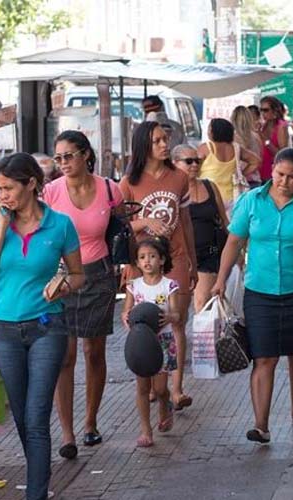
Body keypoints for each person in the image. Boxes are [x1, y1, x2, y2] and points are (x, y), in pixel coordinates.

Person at [0, 153, 85, 500]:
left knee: (36, 416)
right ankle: (39, 477)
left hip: (47, 327)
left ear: (31, 184)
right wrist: (2, 225)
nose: (2, 195)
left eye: (8, 188)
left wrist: (64, 285)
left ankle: (36, 493)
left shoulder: (60, 224)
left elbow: (80, 274)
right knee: (21, 415)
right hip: (5, 330)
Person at [211, 148, 293, 444]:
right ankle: (261, 425)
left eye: (292, 177)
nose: (284, 181)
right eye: (280, 174)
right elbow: (234, 242)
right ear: (273, 173)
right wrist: (220, 279)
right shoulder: (251, 201)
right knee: (264, 356)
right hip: (259, 290)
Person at [42, 130, 121, 460]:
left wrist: (126, 265)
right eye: (58, 158)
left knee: (93, 351)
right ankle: (68, 432)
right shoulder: (50, 193)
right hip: (61, 279)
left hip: (98, 275)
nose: (63, 164)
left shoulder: (108, 188)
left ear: (86, 155)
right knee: (65, 355)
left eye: (69, 156)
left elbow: (121, 230)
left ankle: (90, 423)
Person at [120, 122, 197, 411]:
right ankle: (152, 380)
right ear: (144, 146)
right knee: (143, 321)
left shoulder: (178, 177)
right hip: (141, 261)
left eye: (166, 139)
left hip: (173, 258)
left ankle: (176, 389)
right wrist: (144, 223)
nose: (165, 145)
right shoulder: (129, 182)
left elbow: (186, 220)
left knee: (175, 320)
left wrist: (192, 260)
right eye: (158, 141)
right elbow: (119, 225)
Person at [121, 238, 180, 447]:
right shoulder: (133, 286)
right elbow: (126, 310)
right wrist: (126, 317)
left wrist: (171, 317)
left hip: (163, 340)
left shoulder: (169, 285)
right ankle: (146, 430)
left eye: (153, 256)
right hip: (141, 342)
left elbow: (176, 313)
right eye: (142, 257)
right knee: (143, 388)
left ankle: (166, 406)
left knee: (161, 388)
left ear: (162, 260)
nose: (147, 261)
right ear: (137, 262)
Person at [172, 144, 230, 313]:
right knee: (178, 312)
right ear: (175, 163)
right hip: (180, 255)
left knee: (203, 301)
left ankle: (204, 338)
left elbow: (224, 221)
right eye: (188, 161)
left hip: (208, 254)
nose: (195, 165)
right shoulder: (171, 191)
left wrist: (236, 250)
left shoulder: (210, 186)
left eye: (197, 161)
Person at [197, 118, 260, 208]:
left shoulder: (206, 147)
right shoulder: (236, 148)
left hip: (209, 196)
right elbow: (256, 161)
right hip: (231, 197)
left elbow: (195, 166)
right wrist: (241, 174)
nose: (208, 131)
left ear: (214, 131)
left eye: (209, 129)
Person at [231, 105, 264, 187]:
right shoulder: (256, 137)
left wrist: (241, 175)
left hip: (239, 182)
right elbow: (260, 159)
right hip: (255, 179)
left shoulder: (232, 138)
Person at [259, 96, 290, 181]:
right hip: (260, 172)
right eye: (261, 110)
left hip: (273, 173)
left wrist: (266, 141)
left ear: (274, 111)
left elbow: (281, 155)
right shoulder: (263, 125)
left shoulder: (281, 126)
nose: (262, 113)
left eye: (265, 110)